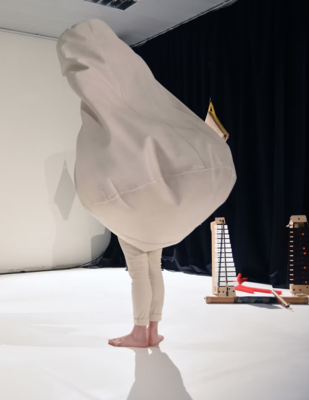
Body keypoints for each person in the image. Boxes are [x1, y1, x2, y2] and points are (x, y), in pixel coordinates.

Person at [57, 20, 236, 347]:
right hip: (155, 207)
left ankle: (140, 332)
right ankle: (152, 329)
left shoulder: (101, 101)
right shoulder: (140, 86)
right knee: (154, 269)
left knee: (141, 271)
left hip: (135, 209)